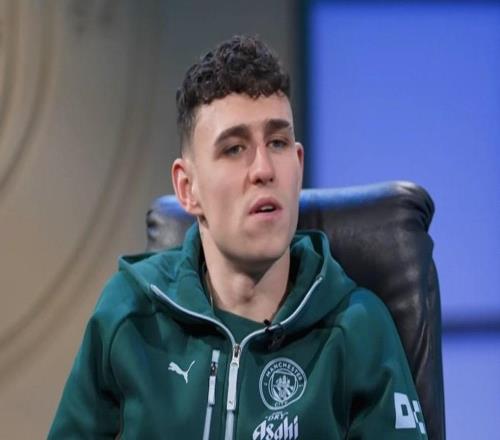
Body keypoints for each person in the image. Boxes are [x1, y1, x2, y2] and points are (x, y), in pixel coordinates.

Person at [49, 35, 428, 439]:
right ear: (188, 188)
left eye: (278, 143)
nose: (264, 169)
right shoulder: (128, 314)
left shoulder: (358, 328)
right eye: (234, 148)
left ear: (298, 165)